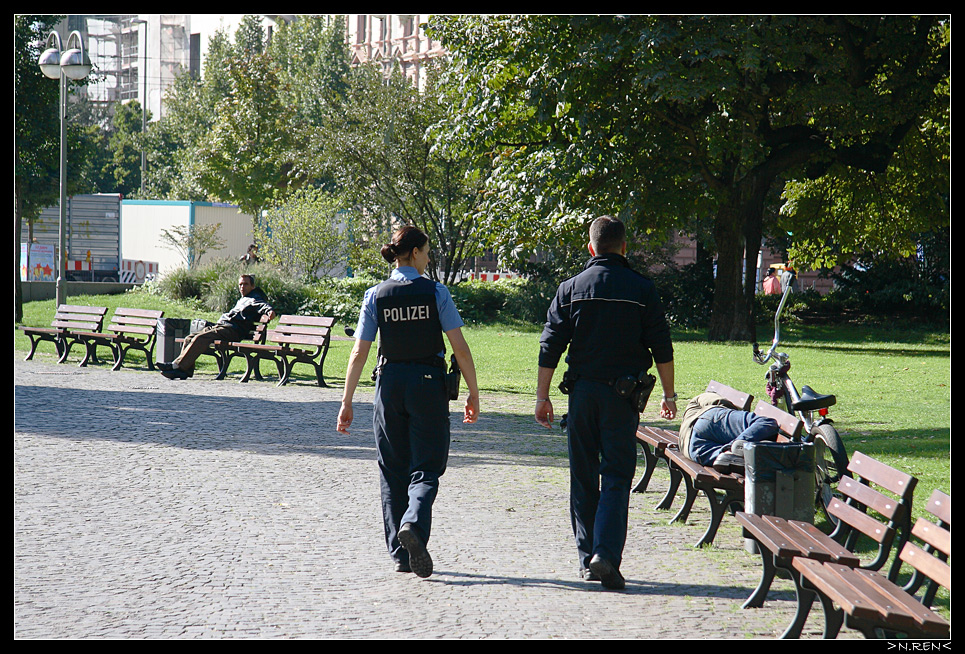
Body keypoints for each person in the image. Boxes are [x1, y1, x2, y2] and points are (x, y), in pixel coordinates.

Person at [535, 215, 677, 590]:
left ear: (591, 247)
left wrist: (542, 396)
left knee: (583, 477)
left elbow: (550, 346)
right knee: (615, 476)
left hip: (581, 396)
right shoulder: (642, 289)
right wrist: (668, 393)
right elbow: (661, 344)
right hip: (622, 399)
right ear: (624, 247)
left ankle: (587, 560)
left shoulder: (570, 288)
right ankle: (606, 555)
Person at [337, 226, 480, 578]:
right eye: (427, 252)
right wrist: (474, 393)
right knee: (427, 466)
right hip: (428, 385)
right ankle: (413, 525)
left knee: (392, 469)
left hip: (388, 386)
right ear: (414, 253)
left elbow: (359, 353)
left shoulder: (375, 294)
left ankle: (401, 555)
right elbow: (459, 347)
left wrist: (347, 401)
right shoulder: (435, 292)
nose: (429, 259)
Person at [157, 274, 275, 380]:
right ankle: (184, 371)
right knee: (189, 338)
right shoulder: (244, 299)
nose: (242, 287)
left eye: (245, 284)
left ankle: (175, 366)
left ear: (252, 286)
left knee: (201, 338)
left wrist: (269, 311)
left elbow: (263, 305)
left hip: (232, 330)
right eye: (240, 284)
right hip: (223, 327)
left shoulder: (254, 298)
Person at [678, 392, 780, 473]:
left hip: (692, 449)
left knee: (724, 457)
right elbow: (718, 401)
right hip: (709, 420)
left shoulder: (687, 422)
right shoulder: (699, 401)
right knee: (766, 422)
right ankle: (737, 445)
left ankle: (732, 452)